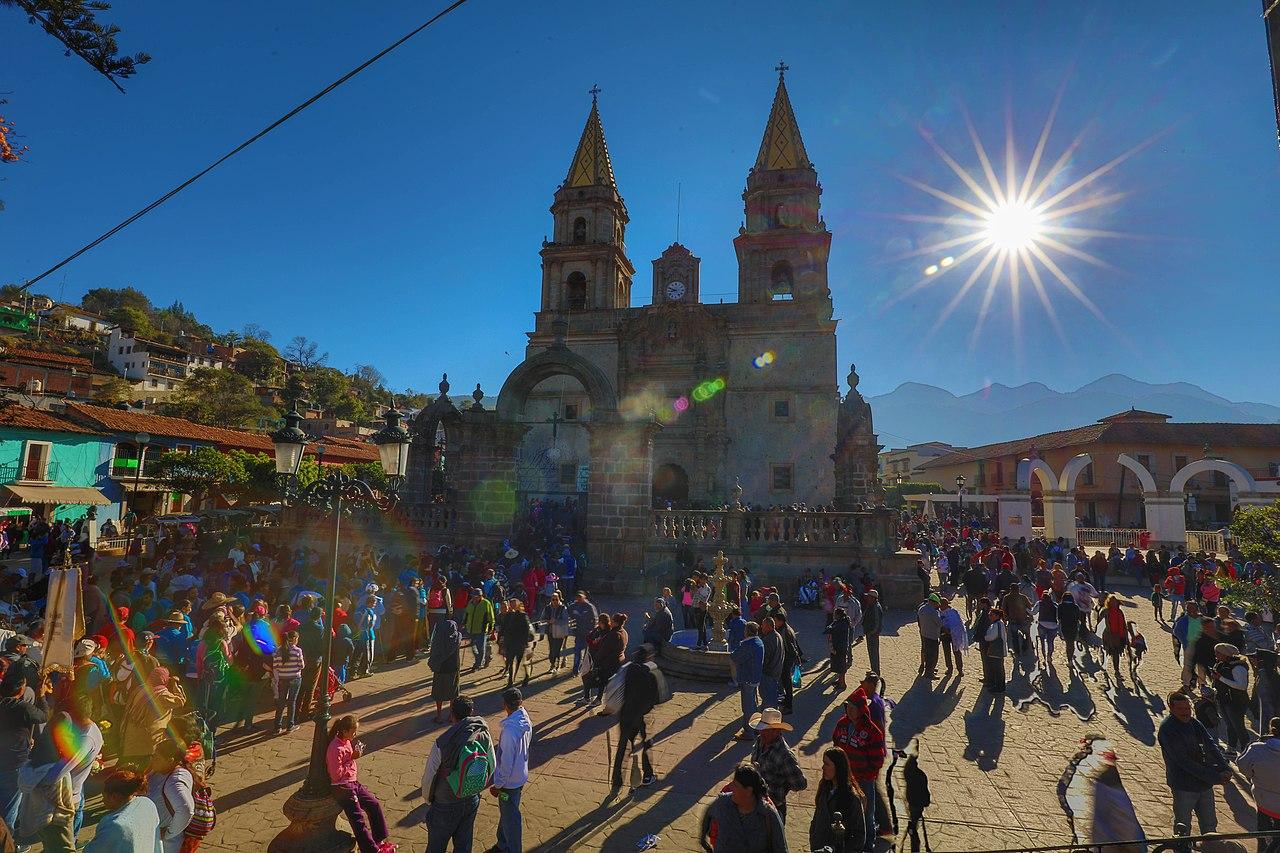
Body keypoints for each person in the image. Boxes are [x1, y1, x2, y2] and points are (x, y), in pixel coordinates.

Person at [423, 696, 495, 853]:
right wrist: (474, 786)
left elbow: (430, 775)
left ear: (452, 714)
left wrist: (428, 799)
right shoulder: (483, 733)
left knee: (436, 846)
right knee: (463, 844)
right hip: (471, 798)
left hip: (445, 802)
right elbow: (492, 764)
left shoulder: (443, 742)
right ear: (471, 712)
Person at [1157, 690, 1230, 837]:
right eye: (1180, 709)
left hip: (1204, 785)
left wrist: (1224, 767)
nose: (1185, 713)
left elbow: (1210, 744)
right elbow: (1184, 762)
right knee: (1183, 826)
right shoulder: (1168, 729)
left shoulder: (1193, 722)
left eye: (1187, 709)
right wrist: (1215, 777)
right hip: (1184, 786)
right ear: (1171, 709)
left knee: (1209, 825)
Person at [327, 714, 395, 853]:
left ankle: (379, 840)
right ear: (345, 731)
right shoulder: (335, 748)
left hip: (353, 782)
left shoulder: (346, 742)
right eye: (353, 731)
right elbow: (336, 774)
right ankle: (371, 850)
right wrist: (351, 759)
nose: (355, 734)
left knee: (374, 804)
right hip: (342, 787)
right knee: (358, 819)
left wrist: (352, 757)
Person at [832, 688, 885, 848]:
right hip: (844, 779)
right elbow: (836, 744)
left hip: (864, 781)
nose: (849, 710)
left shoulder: (872, 731)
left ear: (861, 710)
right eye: (847, 706)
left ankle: (868, 844)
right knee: (845, 810)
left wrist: (866, 775)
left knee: (867, 814)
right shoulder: (841, 724)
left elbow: (877, 759)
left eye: (852, 708)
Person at [0, 668, 50, 832]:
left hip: (7, 758)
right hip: (14, 762)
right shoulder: (22, 707)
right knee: (10, 807)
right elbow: (43, 716)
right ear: (21, 689)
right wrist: (41, 695)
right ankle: (7, 842)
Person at [698, 764, 788, 853]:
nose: (731, 787)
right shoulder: (722, 803)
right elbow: (709, 813)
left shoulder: (768, 815)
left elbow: (781, 848)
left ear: (749, 791)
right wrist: (703, 839)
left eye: (736, 785)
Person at [491, 687, 532, 853]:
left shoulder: (509, 731)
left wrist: (498, 784)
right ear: (520, 703)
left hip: (509, 781)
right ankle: (502, 843)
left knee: (511, 818)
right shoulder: (525, 719)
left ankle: (513, 848)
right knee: (508, 812)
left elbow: (506, 761)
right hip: (520, 775)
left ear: (505, 705)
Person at [748, 708, 806, 823]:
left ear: (777, 731)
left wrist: (782, 786)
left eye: (767, 730)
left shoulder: (784, 755)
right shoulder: (760, 740)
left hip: (772, 808)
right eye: (761, 729)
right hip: (755, 802)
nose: (762, 732)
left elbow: (800, 784)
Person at [612, 648, 659, 791]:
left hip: (626, 713)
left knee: (623, 746)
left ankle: (617, 779)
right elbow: (654, 698)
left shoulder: (627, 670)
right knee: (646, 744)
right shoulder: (649, 674)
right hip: (641, 716)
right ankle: (647, 775)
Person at [85, 770, 162, 853]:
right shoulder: (147, 803)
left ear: (114, 796)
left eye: (104, 796)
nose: (103, 800)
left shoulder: (114, 825)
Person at [810, 747, 865, 853]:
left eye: (827, 764)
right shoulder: (825, 787)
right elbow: (817, 816)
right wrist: (813, 836)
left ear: (838, 767)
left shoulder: (852, 798)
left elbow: (859, 836)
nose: (823, 767)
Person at [1235, 716, 1280, 843]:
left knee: (1265, 839)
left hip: (1264, 802)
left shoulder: (1257, 749)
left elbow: (1242, 766)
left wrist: (1254, 776)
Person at [147, 740, 194, 853]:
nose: (152, 760)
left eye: (157, 758)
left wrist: (169, 833)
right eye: (153, 756)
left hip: (164, 844)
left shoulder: (174, 781)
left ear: (170, 760)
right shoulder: (162, 771)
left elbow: (186, 810)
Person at [1213, 642, 1251, 756]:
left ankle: (1247, 750)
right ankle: (1231, 748)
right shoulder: (1222, 664)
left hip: (1235, 701)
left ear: (1225, 654)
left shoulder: (1238, 667)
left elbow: (1242, 686)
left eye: (1218, 652)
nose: (1216, 654)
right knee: (1230, 725)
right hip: (1224, 699)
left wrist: (1221, 678)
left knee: (1238, 726)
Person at [732, 622, 764, 739]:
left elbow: (735, 656)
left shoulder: (748, 645)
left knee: (747, 707)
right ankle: (756, 728)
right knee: (753, 704)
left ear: (747, 631)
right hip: (755, 678)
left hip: (747, 678)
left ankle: (748, 732)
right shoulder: (759, 642)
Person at [428, 620, 463, 724]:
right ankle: (451, 716)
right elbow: (460, 634)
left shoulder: (438, 639)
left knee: (438, 693)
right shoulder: (457, 637)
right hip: (453, 668)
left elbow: (433, 653)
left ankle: (439, 716)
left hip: (440, 668)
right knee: (453, 693)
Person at [272, 630, 305, 735]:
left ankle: (277, 726)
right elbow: (301, 665)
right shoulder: (297, 650)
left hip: (283, 679)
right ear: (295, 639)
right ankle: (290, 725)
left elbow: (275, 666)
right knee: (292, 702)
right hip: (295, 678)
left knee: (281, 702)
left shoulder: (278, 650)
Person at [462, 591, 495, 672]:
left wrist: (491, 627)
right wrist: (464, 622)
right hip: (471, 629)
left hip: (482, 630)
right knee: (473, 647)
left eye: (476, 596)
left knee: (480, 647)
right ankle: (485, 658)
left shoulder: (486, 603)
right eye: (473, 596)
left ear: (480, 596)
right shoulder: (470, 603)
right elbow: (466, 613)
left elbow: (491, 616)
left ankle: (478, 664)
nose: (474, 598)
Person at [567, 591, 598, 676]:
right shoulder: (573, 606)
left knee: (586, 654)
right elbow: (567, 615)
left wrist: (592, 631)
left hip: (588, 635)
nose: (579, 600)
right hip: (578, 634)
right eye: (577, 598)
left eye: (580, 598)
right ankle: (575, 670)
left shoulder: (590, 607)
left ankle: (583, 668)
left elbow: (595, 620)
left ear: (584, 597)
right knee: (577, 652)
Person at [540, 592, 570, 672]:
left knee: (556, 649)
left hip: (559, 633)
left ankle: (555, 665)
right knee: (552, 649)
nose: (555, 601)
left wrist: (555, 621)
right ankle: (552, 663)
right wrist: (546, 622)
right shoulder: (547, 608)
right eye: (553, 599)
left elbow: (566, 621)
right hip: (550, 632)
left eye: (556, 599)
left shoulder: (563, 608)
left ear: (559, 599)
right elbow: (542, 619)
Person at [824, 607, 853, 691]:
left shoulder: (841, 624)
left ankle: (843, 684)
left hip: (840, 647)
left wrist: (830, 624)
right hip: (840, 646)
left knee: (841, 666)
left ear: (838, 615)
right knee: (839, 666)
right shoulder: (842, 622)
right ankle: (840, 681)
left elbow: (828, 630)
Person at [759, 617, 785, 710]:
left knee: (768, 696)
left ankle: (768, 717)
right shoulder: (778, 636)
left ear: (769, 627)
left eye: (763, 626)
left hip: (769, 673)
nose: (761, 628)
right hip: (776, 671)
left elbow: (765, 659)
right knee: (771, 695)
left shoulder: (768, 640)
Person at [917, 594, 942, 680]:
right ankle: (929, 673)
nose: (938, 605)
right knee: (933, 656)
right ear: (933, 602)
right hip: (932, 636)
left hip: (924, 634)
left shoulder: (921, 609)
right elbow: (939, 623)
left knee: (927, 654)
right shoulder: (933, 612)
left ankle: (929, 669)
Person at [862, 589, 883, 674]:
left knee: (874, 653)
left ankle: (876, 671)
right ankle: (873, 669)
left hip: (872, 634)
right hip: (869, 632)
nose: (867, 598)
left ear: (873, 598)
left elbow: (877, 623)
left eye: (869, 597)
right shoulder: (870, 605)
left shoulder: (876, 607)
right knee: (871, 652)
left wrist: (872, 632)